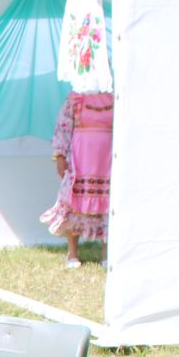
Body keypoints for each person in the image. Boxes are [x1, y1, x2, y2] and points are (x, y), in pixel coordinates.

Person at [43, 91, 114, 267]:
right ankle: (72, 253)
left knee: (108, 202)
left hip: (107, 159)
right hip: (80, 159)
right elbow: (63, 126)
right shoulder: (75, 99)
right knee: (74, 203)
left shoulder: (116, 98)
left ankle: (106, 253)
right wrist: (59, 156)